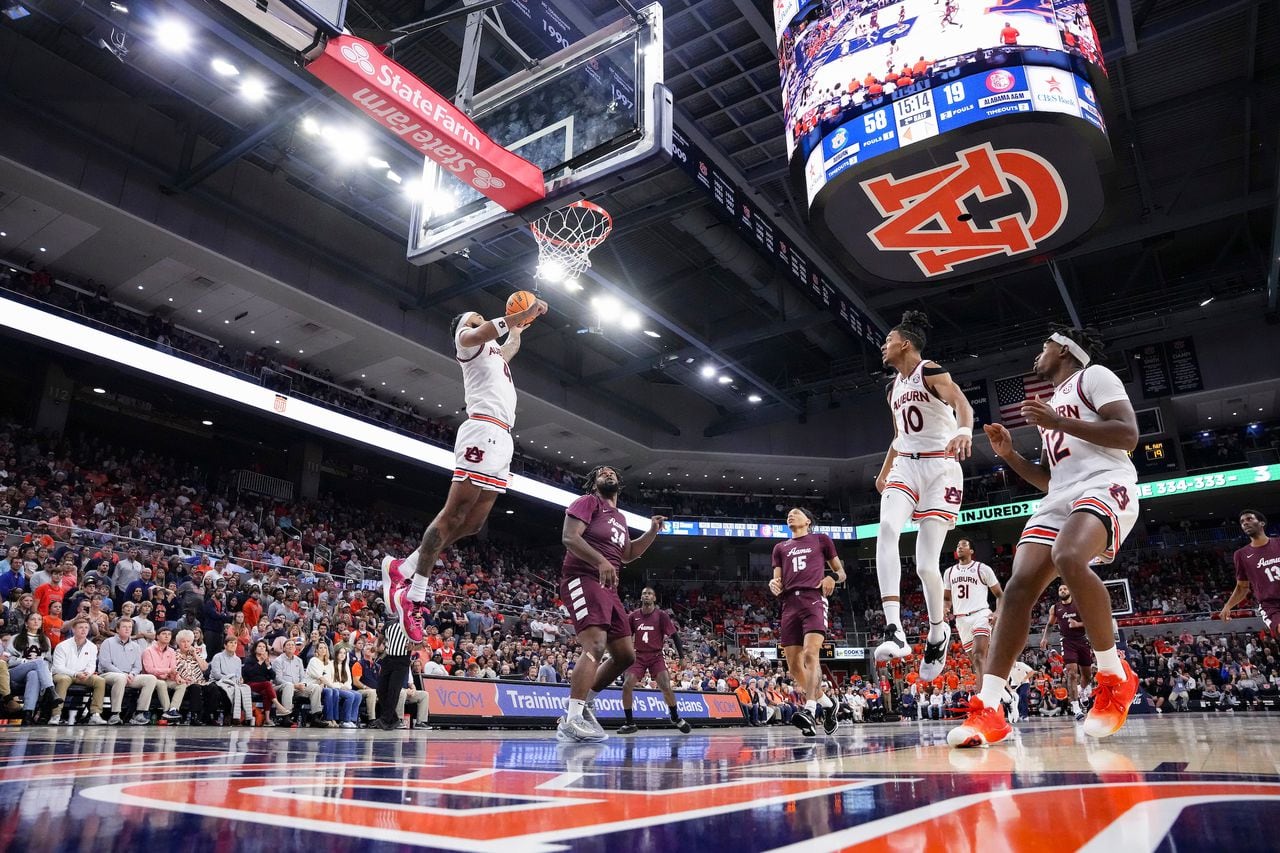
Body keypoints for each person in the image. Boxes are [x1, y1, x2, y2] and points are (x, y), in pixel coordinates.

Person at [950, 327, 1140, 748]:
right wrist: (1010, 456)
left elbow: (1128, 434)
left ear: (1065, 350)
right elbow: (1049, 480)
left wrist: (1057, 420)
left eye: (1045, 346)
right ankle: (991, 706)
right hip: (1061, 495)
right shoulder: (1052, 404)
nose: (1039, 353)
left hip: (1106, 481)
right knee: (1017, 589)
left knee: (1069, 556)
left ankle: (1114, 674)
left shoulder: (1095, 376)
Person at [382, 298, 549, 642]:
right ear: (463, 327)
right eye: (475, 318)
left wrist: (521, 325)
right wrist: (519, 314)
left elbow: (509, 341)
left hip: (502, 437)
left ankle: (403, 567)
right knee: (453, 515)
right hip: (482, 430)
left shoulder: (494, 355)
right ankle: (413, 596)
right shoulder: (467, 342)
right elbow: (489, 328)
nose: (481, 320)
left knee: (473, 524)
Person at [872, 311, 974, 684]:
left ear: (905, 343)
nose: (883, 346)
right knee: (886, 527)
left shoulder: (930, 371)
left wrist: (964, 430)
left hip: (941, 468)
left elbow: (963, 403)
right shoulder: (892, 388)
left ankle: (936, 633)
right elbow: (900, 436)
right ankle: (894, 629)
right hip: (906, 467)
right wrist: (884, 471)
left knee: (926, 566)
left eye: (888, 340)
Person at [555, 466, 665, 743]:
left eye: (612, 471)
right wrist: (600, 561)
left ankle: (586, 704)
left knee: (626, 655)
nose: (608, 472)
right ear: (594, 484)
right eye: (602, 472)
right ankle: (571, 719)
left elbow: (627, 555)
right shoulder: (588, 502)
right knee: (595, 644)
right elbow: (570, 537)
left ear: (619, 483)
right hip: (582, 576)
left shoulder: (620, 517)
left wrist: (651, 532)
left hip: (609, 587)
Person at [769, 508, 847, 737]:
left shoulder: (821, 540)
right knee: (793, 666)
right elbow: (776, 580)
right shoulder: (780, 547)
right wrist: (773, 585)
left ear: (808, 521)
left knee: (811, 654)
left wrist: (832, 577)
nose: (790, 515)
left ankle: (810, 709)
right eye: (789, 514)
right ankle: (828, 704)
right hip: (788, 604)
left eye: (795, 513)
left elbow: (841, 572)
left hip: (813, 599)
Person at [616, 587, 691, 735]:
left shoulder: (661, 615)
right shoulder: (634, 616)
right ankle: (629, 723)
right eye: (644, 593)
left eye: (649, 594)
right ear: (641, 597)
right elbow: (625, 635)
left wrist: (682, 657)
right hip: (638, 656)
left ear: (654, 598)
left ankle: (675, 717)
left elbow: (675, 636)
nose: (646, 596)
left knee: (665, 686)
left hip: (656, 656)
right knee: (626, 685)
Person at [943, 538, 1003, 682]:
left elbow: (1000, 595)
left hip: (980, 614)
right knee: (977, 664)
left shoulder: (982, 568)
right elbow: (946, 598)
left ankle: (982, 697)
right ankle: (1007, 695)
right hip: (961, 620)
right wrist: (945, 608)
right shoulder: (949, 572)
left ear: (971, 551)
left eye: (963, 545)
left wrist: (997, 613)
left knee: (979, 656)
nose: (959, 547)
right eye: (957, 545)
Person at [1220, 509, 1280, 636]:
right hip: (1271, 605)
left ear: (1262, 523)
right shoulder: (1241, 554)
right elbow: (1242, 587)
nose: (1245, 523)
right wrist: (1228, 606)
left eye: (1249, 519)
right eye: (1242, 522)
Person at [1041, 583, 1093, 721]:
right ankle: (1076, 707)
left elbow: (1091, 621)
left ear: (1070, 590)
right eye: (1060, 589)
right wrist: (1045, 638)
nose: (1062, 590)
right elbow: (1050, 624)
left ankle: (1082, 693)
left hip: (1082, 640)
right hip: (1067, 642)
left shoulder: (1079, 604)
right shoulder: (1055, 608)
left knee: (1087, 676)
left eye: (1065, 588)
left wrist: (1078, 624)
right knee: (1071, 673)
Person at [97, 617, 158, 725]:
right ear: (117, 629)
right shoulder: (108, 642)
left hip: (129, 676)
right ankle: (115, 714)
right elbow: (106, 664)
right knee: (120, 678)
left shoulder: (136, 646)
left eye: (130, 627)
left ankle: (139, 713)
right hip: (108, 675)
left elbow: (138, 666)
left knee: (151, 679)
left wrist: (132, 674)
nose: (127, 629)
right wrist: (123, 674)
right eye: (124, 627)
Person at [50, 618, 109, 725]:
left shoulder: (92, 647)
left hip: (82, 675)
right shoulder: (62, 645)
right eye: (80, 627)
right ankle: (56, 715)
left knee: (99, 680)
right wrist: (76, 673)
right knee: (63, 679)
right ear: (73, 629)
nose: (84, 630)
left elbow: (92, 665)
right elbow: (58, 667)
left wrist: (88, 673)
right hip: (63, 674)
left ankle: (95, 714)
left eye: (86, 628)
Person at [373, 619, 413, 730]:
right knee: (380, 690)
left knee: (393, 690)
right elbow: (381, 636)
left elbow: (419, 642)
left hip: (402, 661)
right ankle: (394, 719)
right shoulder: (389, 623)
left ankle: (385, 720)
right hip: (388, 658)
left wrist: (414, 647)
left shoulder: (412, 623)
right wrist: (377, 645)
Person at [272, 638, 322, 725]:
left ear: (295, 648)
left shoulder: (299, 660)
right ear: (283, 649)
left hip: (297, 687)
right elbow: (278, 679)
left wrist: (303, 684)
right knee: (288, 685)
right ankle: (286, 716)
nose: (291, 646)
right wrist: (294, 686)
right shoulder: (278, 661)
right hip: (281, 687)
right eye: (288, 645)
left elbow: (303, 677)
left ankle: (315, 717)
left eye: (292, 645)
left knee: (315, 687)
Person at [142, 627, 186, 721]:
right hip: (152, 679)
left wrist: (177, 676)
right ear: (157, 636)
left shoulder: (171, 651)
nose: (167, 636)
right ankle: (167, 711)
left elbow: (173, 668)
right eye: (164, 634)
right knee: (161, 683)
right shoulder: (148, 651)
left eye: (169, 634)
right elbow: (149, 669)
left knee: (182, 684)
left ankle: (173, 709)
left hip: (167, 679)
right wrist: (168, 671)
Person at [209, 634, 253, 724]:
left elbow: (238, 675)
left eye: (235, 643)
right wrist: (229, 679)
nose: (233, 645)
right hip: (218, 681)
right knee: (226, 689)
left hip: (232, 682)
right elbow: (216, 674)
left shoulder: (238, 660)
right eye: (231, 643)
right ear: (225, 645)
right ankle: (227, 714)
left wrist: (240, 679)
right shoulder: (217, 657)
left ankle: (238, 716)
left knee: (244, 689)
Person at [174, 628, 216, 724]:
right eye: (183, 642)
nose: (186, 644)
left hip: (200, 680)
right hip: (185, 682)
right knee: (195, 688)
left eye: (188, 641)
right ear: (178, 643)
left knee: (213, 688)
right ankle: (195, 716)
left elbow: (205, 667)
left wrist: (195, 655)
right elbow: (173, 670)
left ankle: (207, 715)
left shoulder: (194, 653)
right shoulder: (174, 655)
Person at [243, 639, 287, 725]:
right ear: (255, 648)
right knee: (267, 684)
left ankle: (267, 718)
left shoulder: (266, 660)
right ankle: (277, 705)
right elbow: (249, 673)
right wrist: (260, 662)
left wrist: (268, 665)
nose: (262, 648)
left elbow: (273, 676)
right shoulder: (250, 659)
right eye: (259, 646)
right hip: (251, 684)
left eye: (264, 647)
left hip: (263, 686)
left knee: (267, 692)